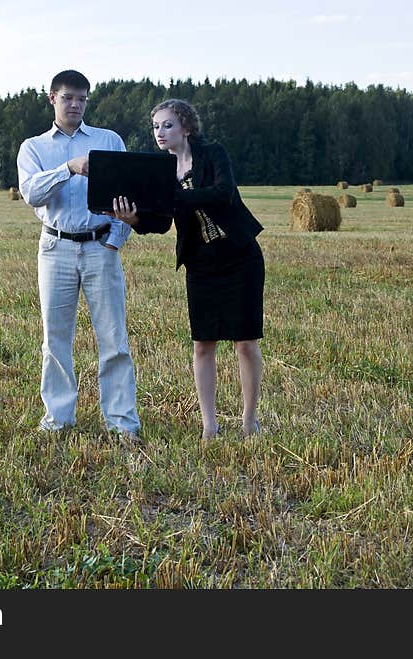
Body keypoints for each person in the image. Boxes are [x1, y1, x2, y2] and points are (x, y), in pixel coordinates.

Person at [110, 99, 265, 440]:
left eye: (167, 125)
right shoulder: (159, 172)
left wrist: (175, 197)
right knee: (202, 345)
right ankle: (210, 425)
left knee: (245, 343)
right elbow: (161, 223)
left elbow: (223, 194)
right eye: (155, 127)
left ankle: (249, 421)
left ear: (186, 127)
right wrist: (133, 218)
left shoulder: (213, 154)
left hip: (241, 256)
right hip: (200, 263)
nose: (160, 133)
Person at [16, 70, 141, 440]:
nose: (76, 105)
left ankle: (122, 423)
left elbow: (129, 195)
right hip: (55, 248)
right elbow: (31, 193)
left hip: (101, 247)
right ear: (51, 97)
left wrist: (116, 238)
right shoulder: (34, 148)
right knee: (54, 339)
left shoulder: (109, 140)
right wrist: (68, 168)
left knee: (114, 338)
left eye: (82, 99)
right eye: (68, 97)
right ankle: (58, 419)